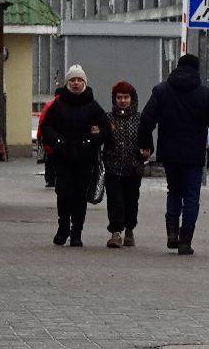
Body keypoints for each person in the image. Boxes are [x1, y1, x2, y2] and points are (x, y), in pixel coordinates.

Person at [137, 53, 209, 256]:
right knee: (192, 197)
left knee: (174, 191)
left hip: (169, 152)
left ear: (177, 67)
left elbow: (146, 120)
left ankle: (171, 235)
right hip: (194, 154)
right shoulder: (206, 95)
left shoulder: (161, 91)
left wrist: (146, 145)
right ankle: (185, 241)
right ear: (197, 70)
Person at [40, 65, 110, 248]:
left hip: (85, 160)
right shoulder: (57, 104)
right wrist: (57, 143)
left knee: (79, 196)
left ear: (85, 83)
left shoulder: (93, 106)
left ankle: (76, 233)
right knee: (63, 193)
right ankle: (62, 229)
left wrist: (93, 139)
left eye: (79, 80)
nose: (76, 83)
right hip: (62, 158)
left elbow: (106, 129)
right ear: (68, 82)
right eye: (73, 80)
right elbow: (46, 127)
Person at [102, 80, 145, 249]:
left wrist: (145, 151)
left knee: (131, 200)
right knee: (114, 200)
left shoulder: (139, 118)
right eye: (119, 97)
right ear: (114, 99)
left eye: (126, 97)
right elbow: (101, 138)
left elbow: (145, 139)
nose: (123, 101)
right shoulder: (108, 118)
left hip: (133, 167)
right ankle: (115, 232)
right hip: (113, 166)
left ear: (132, 98)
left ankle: (129, 230)